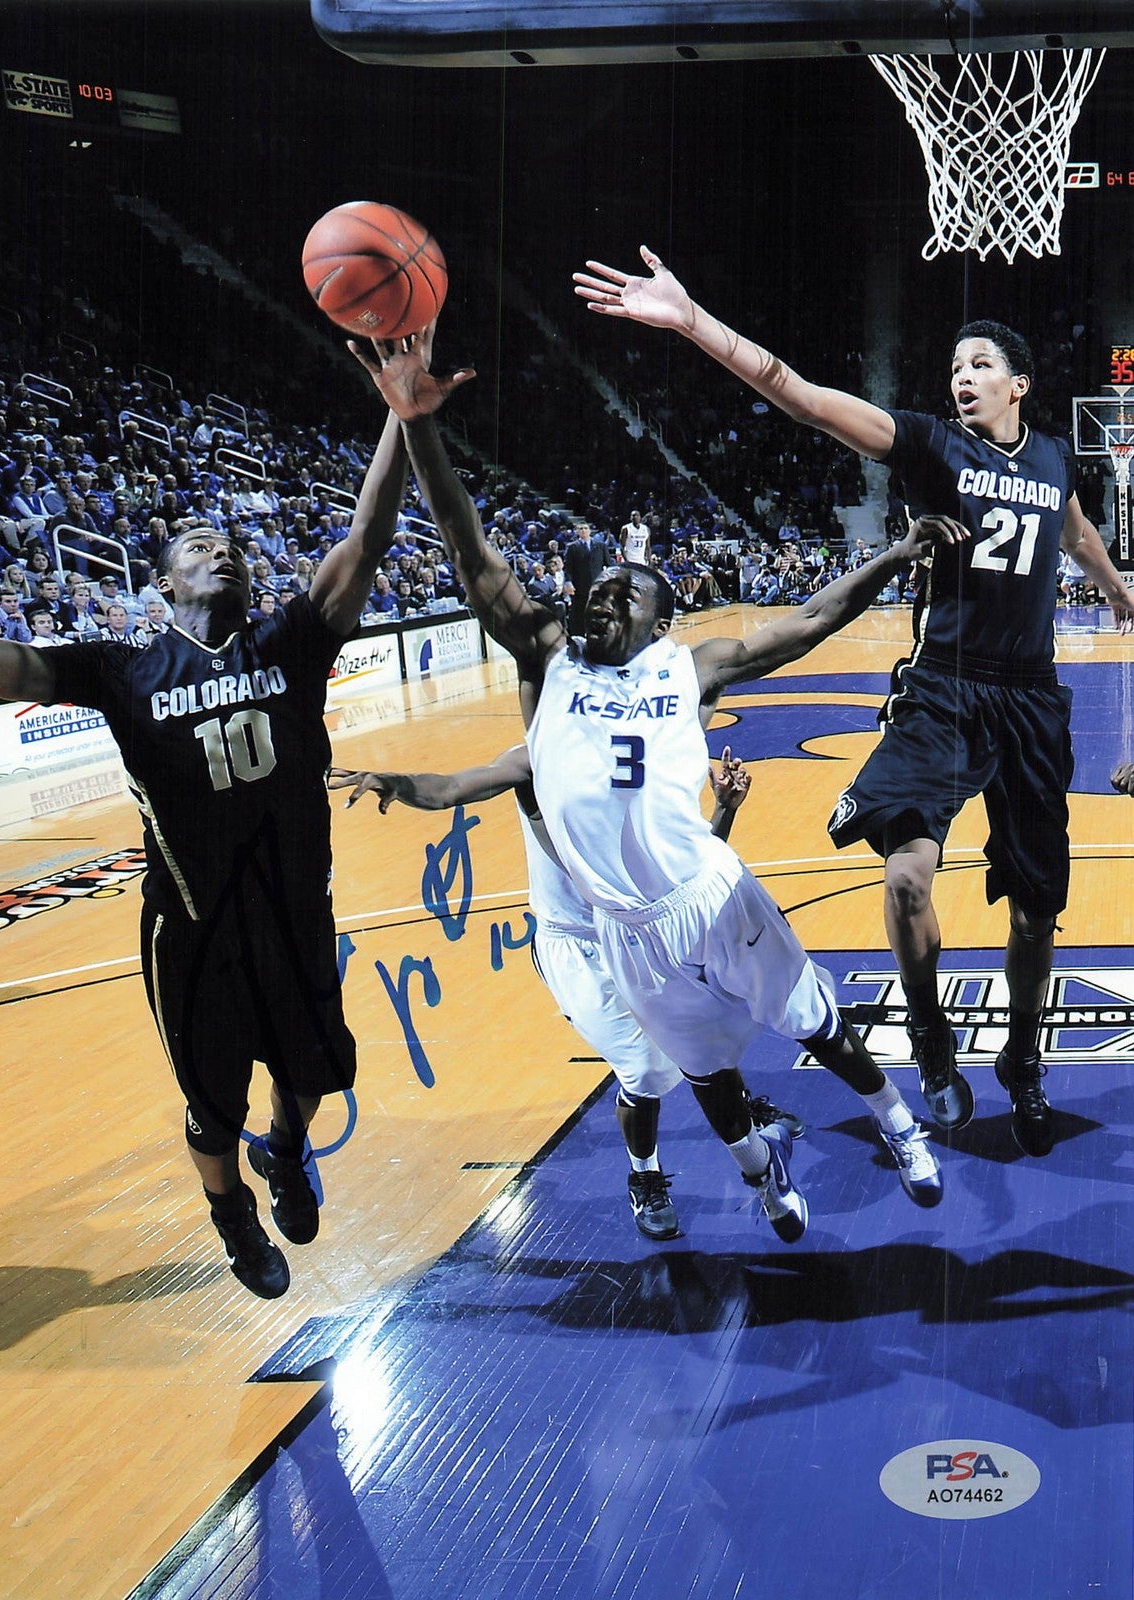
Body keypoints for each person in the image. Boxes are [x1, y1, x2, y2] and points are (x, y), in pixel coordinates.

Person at [360, 331, 955, 1240]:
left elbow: (807, 622)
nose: (604, 596)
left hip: (707, 894)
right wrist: (417, 426)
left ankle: (900, 1127)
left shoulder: (689, 667)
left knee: (813, 1026)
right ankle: (764, 1181)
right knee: (709, 1079)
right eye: (600, 589)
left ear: (660, 616)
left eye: (627, 592)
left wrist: (891, 557)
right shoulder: (551, 661)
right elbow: (471, 556)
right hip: (622, 931)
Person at [574, 248, 1134, 1157]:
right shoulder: (926, 441)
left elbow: (1073, 530)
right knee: (907, 877)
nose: (961, 378)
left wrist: (1114, 583)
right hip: (942, 691)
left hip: (1030, 700)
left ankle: (1021, 1062)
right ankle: (930, 1043)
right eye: (953, 368)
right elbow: (794, 389)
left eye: (979, 365)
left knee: (1035, 913)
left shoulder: (1055, 461)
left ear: (1019, 385)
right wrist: (689, 320)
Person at [0, 384, 411, 1301]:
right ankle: (230, 1208)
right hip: (191, 932)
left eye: (230, 545)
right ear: (161, 585)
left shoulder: (292, 639)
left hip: (294, 913)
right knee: (210, 1101)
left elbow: (368, 538)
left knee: (312, 1076)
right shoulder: (118, 670)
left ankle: (284, 1151)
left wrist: (402, 414)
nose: (221, 551)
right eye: (198, 547)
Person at [331, 745, 803, 1241]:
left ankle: (741, 1113)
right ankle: (645, 1173)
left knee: (711, 1025)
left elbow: (684, 866)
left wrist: (724, 807)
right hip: (577, 944)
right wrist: (396, 782)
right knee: (643, 1068)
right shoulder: (538, 757)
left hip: (646, 928)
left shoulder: (643, 753)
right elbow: (449, 788)